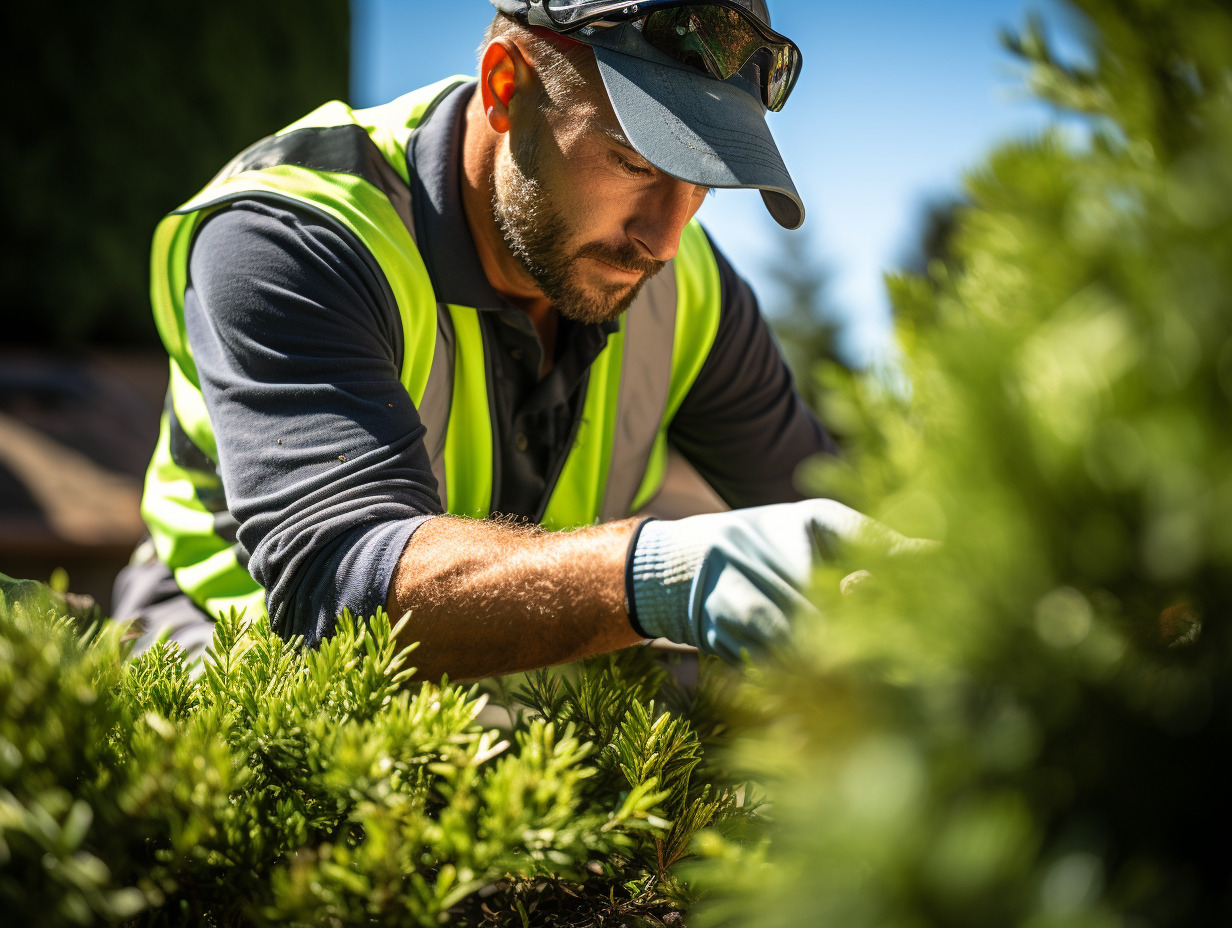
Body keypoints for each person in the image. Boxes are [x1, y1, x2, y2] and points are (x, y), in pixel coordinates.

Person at [114, 0, 890, 679]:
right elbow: (340, 588)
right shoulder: (293, 236)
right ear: (504, 86)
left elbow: (831, 505)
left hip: (506, 693)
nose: (664, 238)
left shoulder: (694, 291)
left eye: (703, 187)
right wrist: (664, 575)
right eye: (634, 162)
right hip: (236, 674)